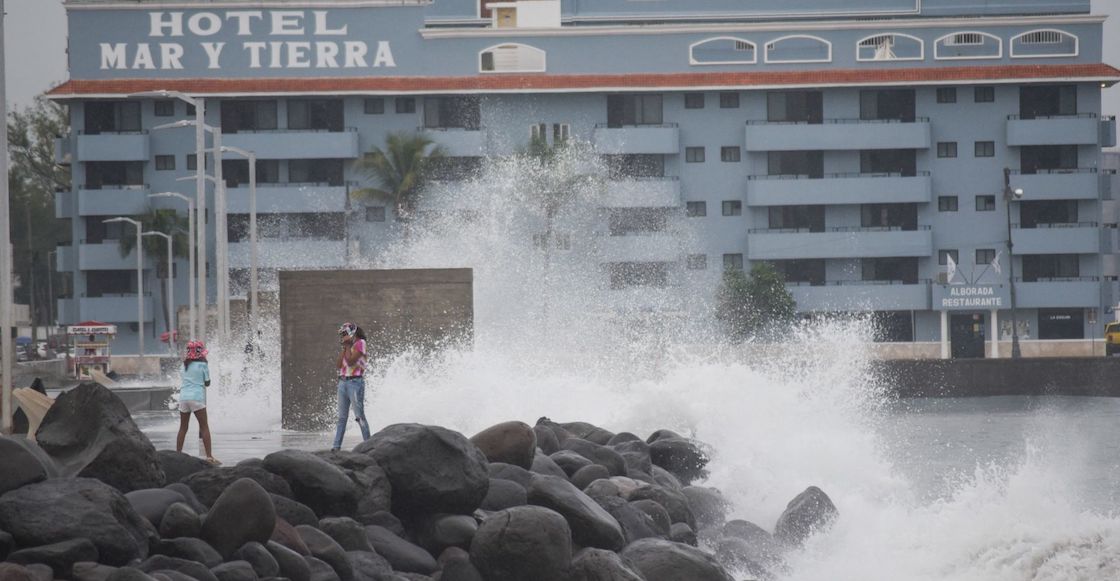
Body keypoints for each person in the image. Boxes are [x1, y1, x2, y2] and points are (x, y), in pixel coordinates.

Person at [176, 340, 220, 465]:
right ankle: (209, 456)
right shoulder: (203, 366)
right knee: (204, 427)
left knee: (183, 428)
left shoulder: (183, 366)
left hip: (184, 398)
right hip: (197, 398)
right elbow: (207, 383)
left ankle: (177, 454)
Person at [333, 322, 371, 450]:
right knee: (342, 418)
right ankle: (336, 446)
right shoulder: (347, 347)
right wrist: (344, 348)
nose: (342, 337)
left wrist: (348, 347)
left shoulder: (361, 343)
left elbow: (350, 362)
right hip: (343, 382)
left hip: (355, 383)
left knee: (359, 416)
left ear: (351, 333)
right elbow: (339, 365)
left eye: (344, 334)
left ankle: (369, 445)